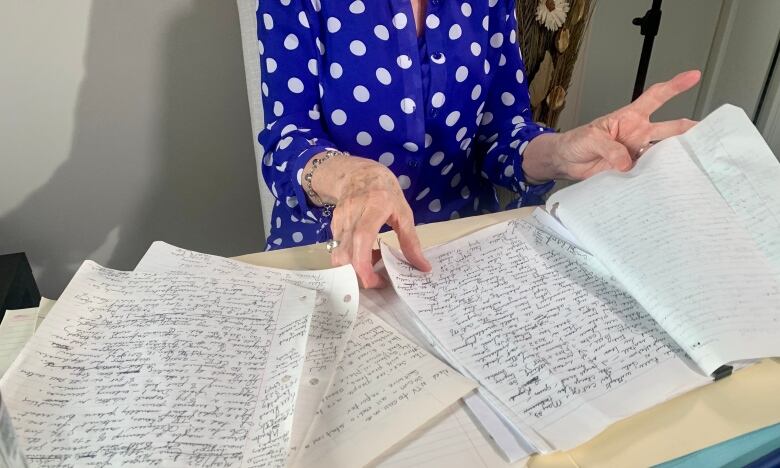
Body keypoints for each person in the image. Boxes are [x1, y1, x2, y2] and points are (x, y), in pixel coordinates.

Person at [257, 0, 700, 287]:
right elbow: (286, 141)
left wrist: (562, 152)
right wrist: (355, 177)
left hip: (458, 258)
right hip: (333, 254)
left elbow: (501, 133)